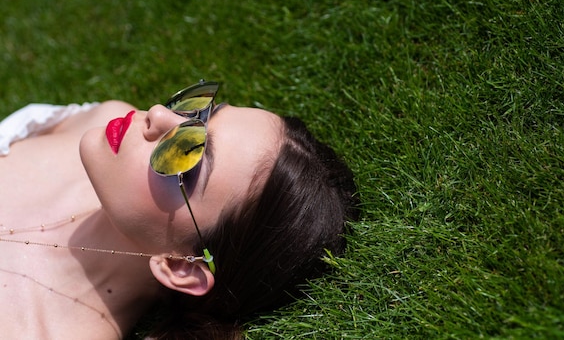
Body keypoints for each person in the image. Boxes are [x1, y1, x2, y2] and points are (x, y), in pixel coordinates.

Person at [0, 81, 359, 339]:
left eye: (186, 154)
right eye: (199, 112)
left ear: (181, 267)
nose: (157, 115)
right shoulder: (100, 119)